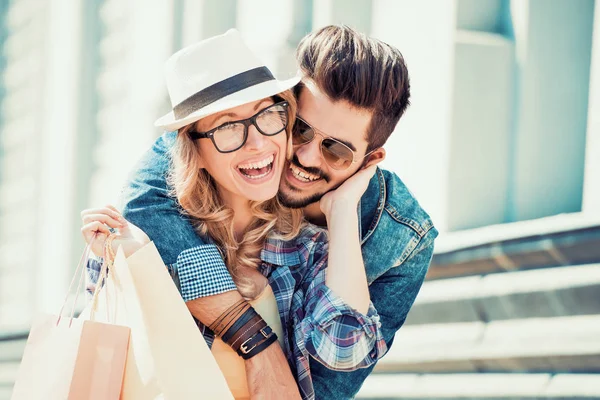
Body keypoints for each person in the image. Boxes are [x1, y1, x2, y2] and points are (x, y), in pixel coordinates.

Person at [121, 25, 438, 399]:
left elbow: (328, 386)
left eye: (336, 151)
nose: (305, 157)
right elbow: (146, 193)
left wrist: (342, 213)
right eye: (300, 129)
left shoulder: (403, 237)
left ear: (369, 161)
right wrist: (257, 342)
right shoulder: (241, 154)